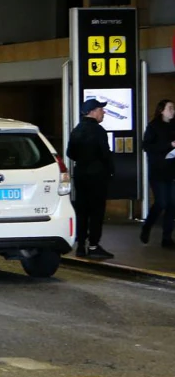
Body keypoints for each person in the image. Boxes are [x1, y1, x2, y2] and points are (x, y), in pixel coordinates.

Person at [66, 98, 114, 259]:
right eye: (101, 109)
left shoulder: (77, 129)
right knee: (96, 211)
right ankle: (93, 245)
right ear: (92, 111)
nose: (103, 112)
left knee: (82, 210)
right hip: (97, 175)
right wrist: (110, 171)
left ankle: (80, 246)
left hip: (80, 174)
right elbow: (105, 154)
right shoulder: (98, 130)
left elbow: (70, 153)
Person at [141, 99, 175, 247]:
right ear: (161, 110)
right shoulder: (153, 126)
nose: (173, 111)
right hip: (158, 171)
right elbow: (147, 146)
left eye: (173, 108)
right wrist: (169, 145)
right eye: (170, 108)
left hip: (172, 170)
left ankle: (167, 238)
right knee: (161, 202)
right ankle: (147, 226)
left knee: (172, 204)